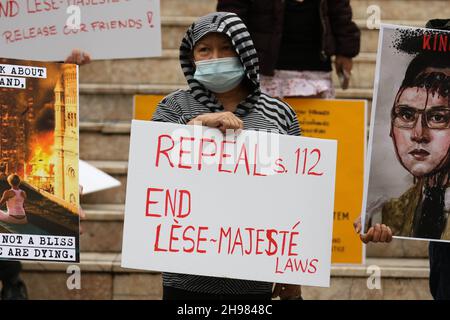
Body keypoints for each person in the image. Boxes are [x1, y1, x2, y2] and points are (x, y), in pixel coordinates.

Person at [151, 12, 301, 300]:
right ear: (192, 57)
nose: (215, 57)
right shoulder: (173, 108)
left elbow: (296, 193)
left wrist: (292, 270)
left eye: (226, 48)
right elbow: (155, 170)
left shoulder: (280, 113)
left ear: (243, 51)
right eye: (204, 50)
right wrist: (198, 126)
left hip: (254, 274)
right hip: (186, 276)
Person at [355, 18, 450, 300]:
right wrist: (377, 223)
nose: (419, 134)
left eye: (438, 117)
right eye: (406, 115)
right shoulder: (398, 209)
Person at [216, 0, 360, 98]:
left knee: (313, 134)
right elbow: (232, 13)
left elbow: (340, 11)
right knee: (266, 137)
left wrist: (345, 51)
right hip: (264, 70)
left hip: (315, 71)